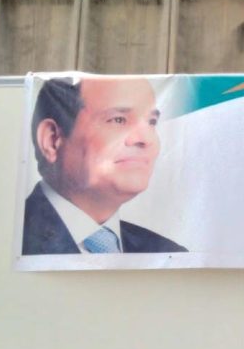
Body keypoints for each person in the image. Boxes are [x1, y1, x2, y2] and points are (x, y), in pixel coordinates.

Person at [22, 77, 186, 255]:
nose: (146, 139)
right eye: (118, 120)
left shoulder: (168, 253)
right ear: (52, 139)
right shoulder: (11, 239)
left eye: (151, 122)